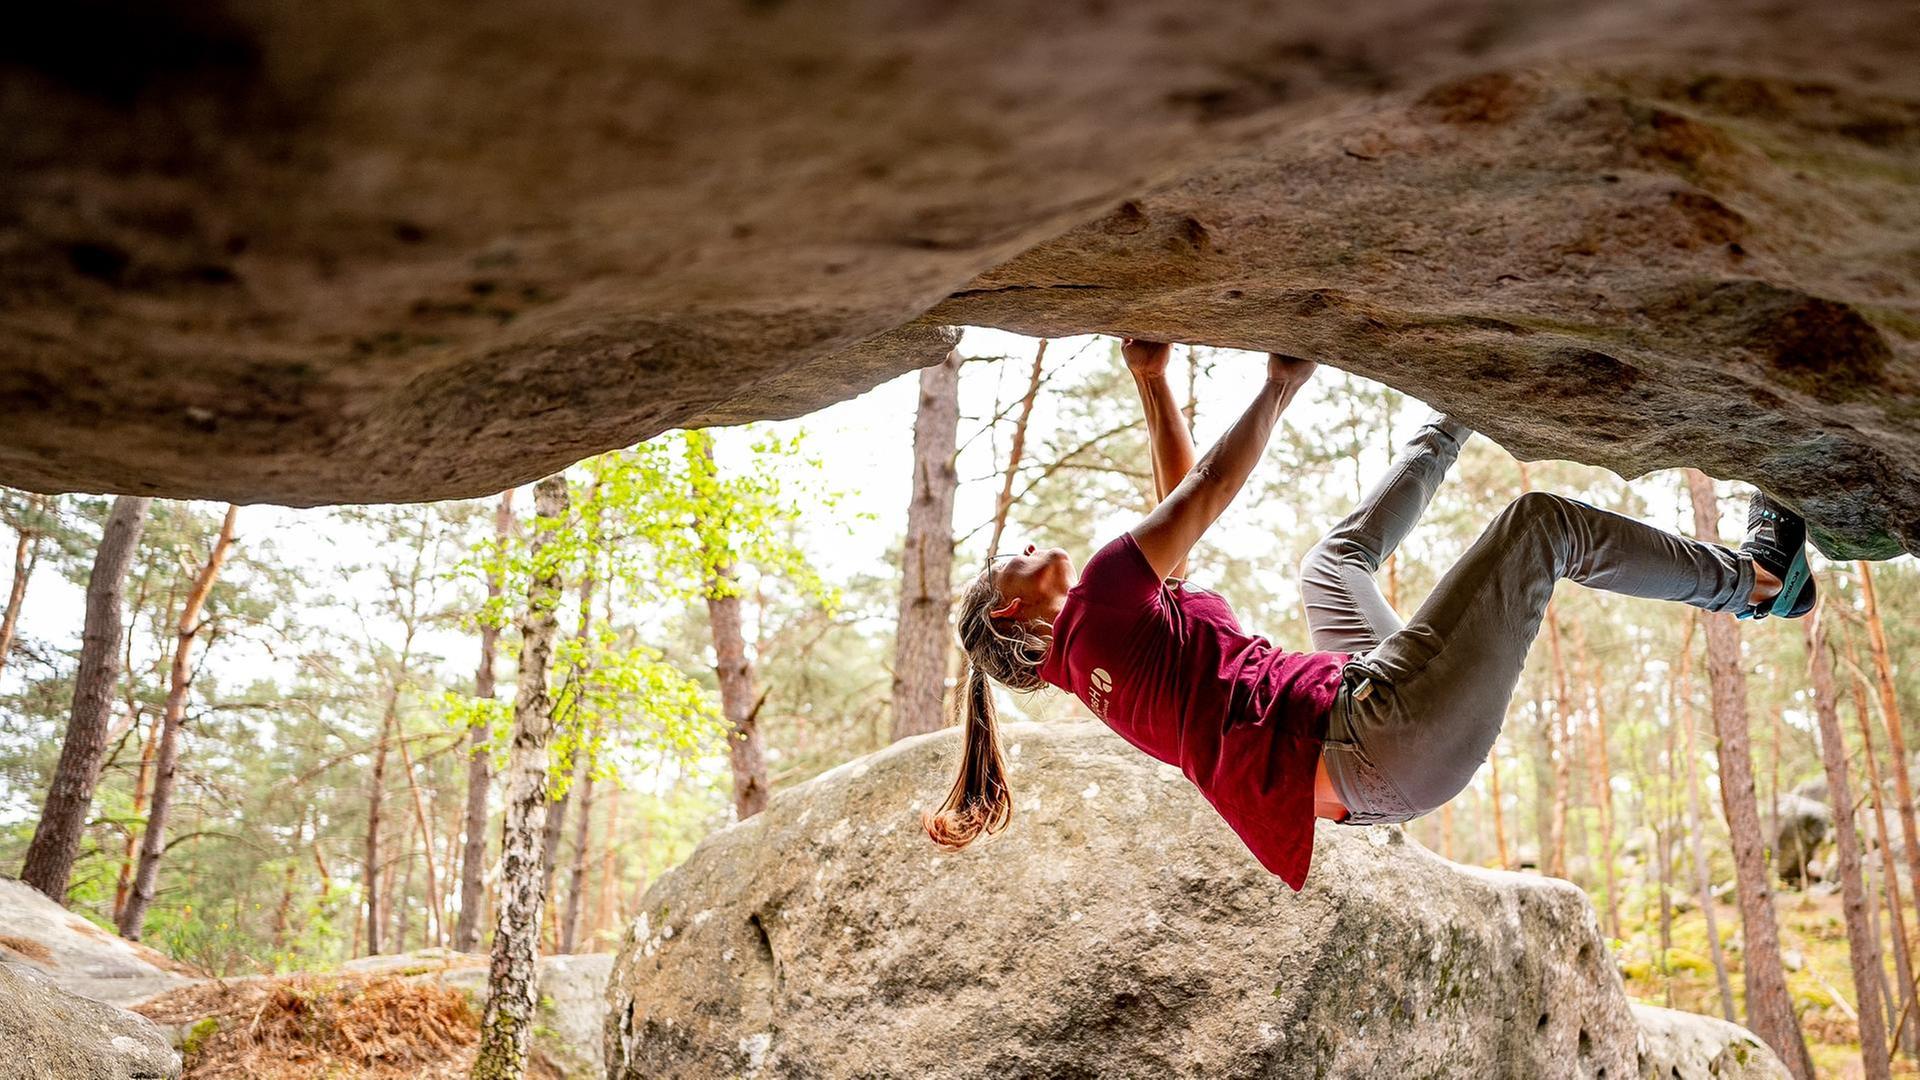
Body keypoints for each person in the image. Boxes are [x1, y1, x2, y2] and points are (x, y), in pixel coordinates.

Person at [925, 338, 1814, 889]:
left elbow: (1178, 516)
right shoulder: (1102, 600)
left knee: (1329, 565)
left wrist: (1154, 379)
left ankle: (1452, 416)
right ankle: (1759, 585)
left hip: (1375, 755)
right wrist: (1282, 382)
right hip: (1381, 731)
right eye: (1013, 555)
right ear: (1011, 612)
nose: (1028, 541)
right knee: (1540, 526)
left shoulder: (1096, 664)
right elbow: (1205, 491)